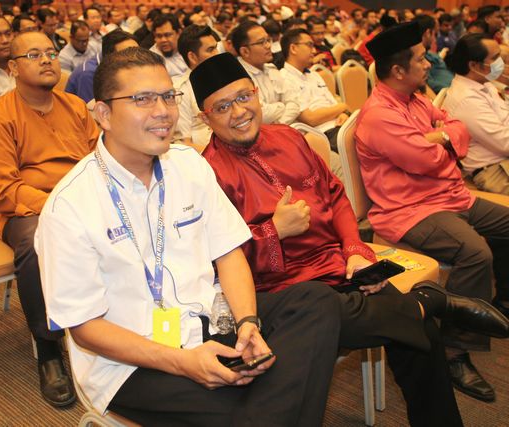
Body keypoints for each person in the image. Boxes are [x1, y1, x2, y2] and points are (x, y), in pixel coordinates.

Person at [196, 51, 509, 427]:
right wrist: (273, 230)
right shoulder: (207, 174)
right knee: (398, 319)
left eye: (244, 97)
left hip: (338, 268)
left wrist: (356, 252)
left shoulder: (290, 138)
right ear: (205, 117)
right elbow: (218, 259)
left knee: (421, 334)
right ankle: (428, 302)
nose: (239, 112)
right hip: (282, 291)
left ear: (257, 93)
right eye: (222, 106)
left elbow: (335, 196)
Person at [35, 46, 344, 426]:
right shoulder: (69, 207)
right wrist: (183, 362)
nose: (163, 111)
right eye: (142, 99)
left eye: (168, 96)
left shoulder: (188, 164)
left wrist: (247, 322)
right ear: (103, 114)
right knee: (260, 400)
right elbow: (85, 329)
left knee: (316, 301)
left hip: (211, 323)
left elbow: (229, 252)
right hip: (132, 362)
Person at [356, 21, 509, 403]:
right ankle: (454, 352)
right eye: (422, 59)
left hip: (450, 196)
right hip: (409, 209)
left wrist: (439, 138)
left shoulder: (415, 98)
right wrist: (442, 142)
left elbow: (457, 127)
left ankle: (496, 304)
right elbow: (430, 161)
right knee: (475, 253)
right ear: (398, 70)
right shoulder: (379, 115)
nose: (430, 64)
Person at [0, 30, 99, 407]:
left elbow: (99, 160)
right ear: (12, 68)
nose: (46, 59)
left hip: (80, 197)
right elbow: (3, 190)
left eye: (50, 52)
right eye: (33, 54)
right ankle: (48, 349)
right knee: (35, 243)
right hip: (26, 209)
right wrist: (58, 205)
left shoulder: (75, 107)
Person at [443, 34, 509, 195]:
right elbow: (505, 144)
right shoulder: (467, 99)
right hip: (495, 171)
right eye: (495, 58)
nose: (501, 63)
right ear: (474, 65)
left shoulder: (484, 84)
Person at [279, 28, 349, 151]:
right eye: (309, 45)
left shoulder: (314, 74)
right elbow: (311, 119)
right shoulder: (283, 78)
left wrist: (343, 113)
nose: (314, 50)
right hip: (321, 134)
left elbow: (332, 103)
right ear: (293, 48)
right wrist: (342, 106)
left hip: (339, 125)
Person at [230, 20, 300, 125]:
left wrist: (279, 123)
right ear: (245, 51)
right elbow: (260, 114)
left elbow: (294, 103)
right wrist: (282, 105)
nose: (268, 46)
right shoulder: (238, 78)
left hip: (282, 127)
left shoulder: (271, 69)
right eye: (261, 42)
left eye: (268, 40)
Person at [173, 24, 219, 151]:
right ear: (192, 57)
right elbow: (183, 144)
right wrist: (219, 156)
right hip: (204, 155)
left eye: (216, 48)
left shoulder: (221, 80)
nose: (217, 54)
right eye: (210, 50)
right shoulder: (181, 91)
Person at [65, 30, 137, 103]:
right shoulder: (88, 74)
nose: (136, 57)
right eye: (127, 53)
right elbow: (91, 108)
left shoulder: (129, 68)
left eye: (137, 51)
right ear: (110, 56)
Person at [413, 14, 454, 94]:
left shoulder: (430, 54)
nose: (435, 40)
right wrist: (453, 89)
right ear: (428, 33)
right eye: (435, 34)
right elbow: (428, 84)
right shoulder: (416, 57)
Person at [150, 14, 188, 78]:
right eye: (159, 36)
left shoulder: (189, 50)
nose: (163, 40)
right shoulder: (150, 60)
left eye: (167, 35)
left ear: (179, 33)